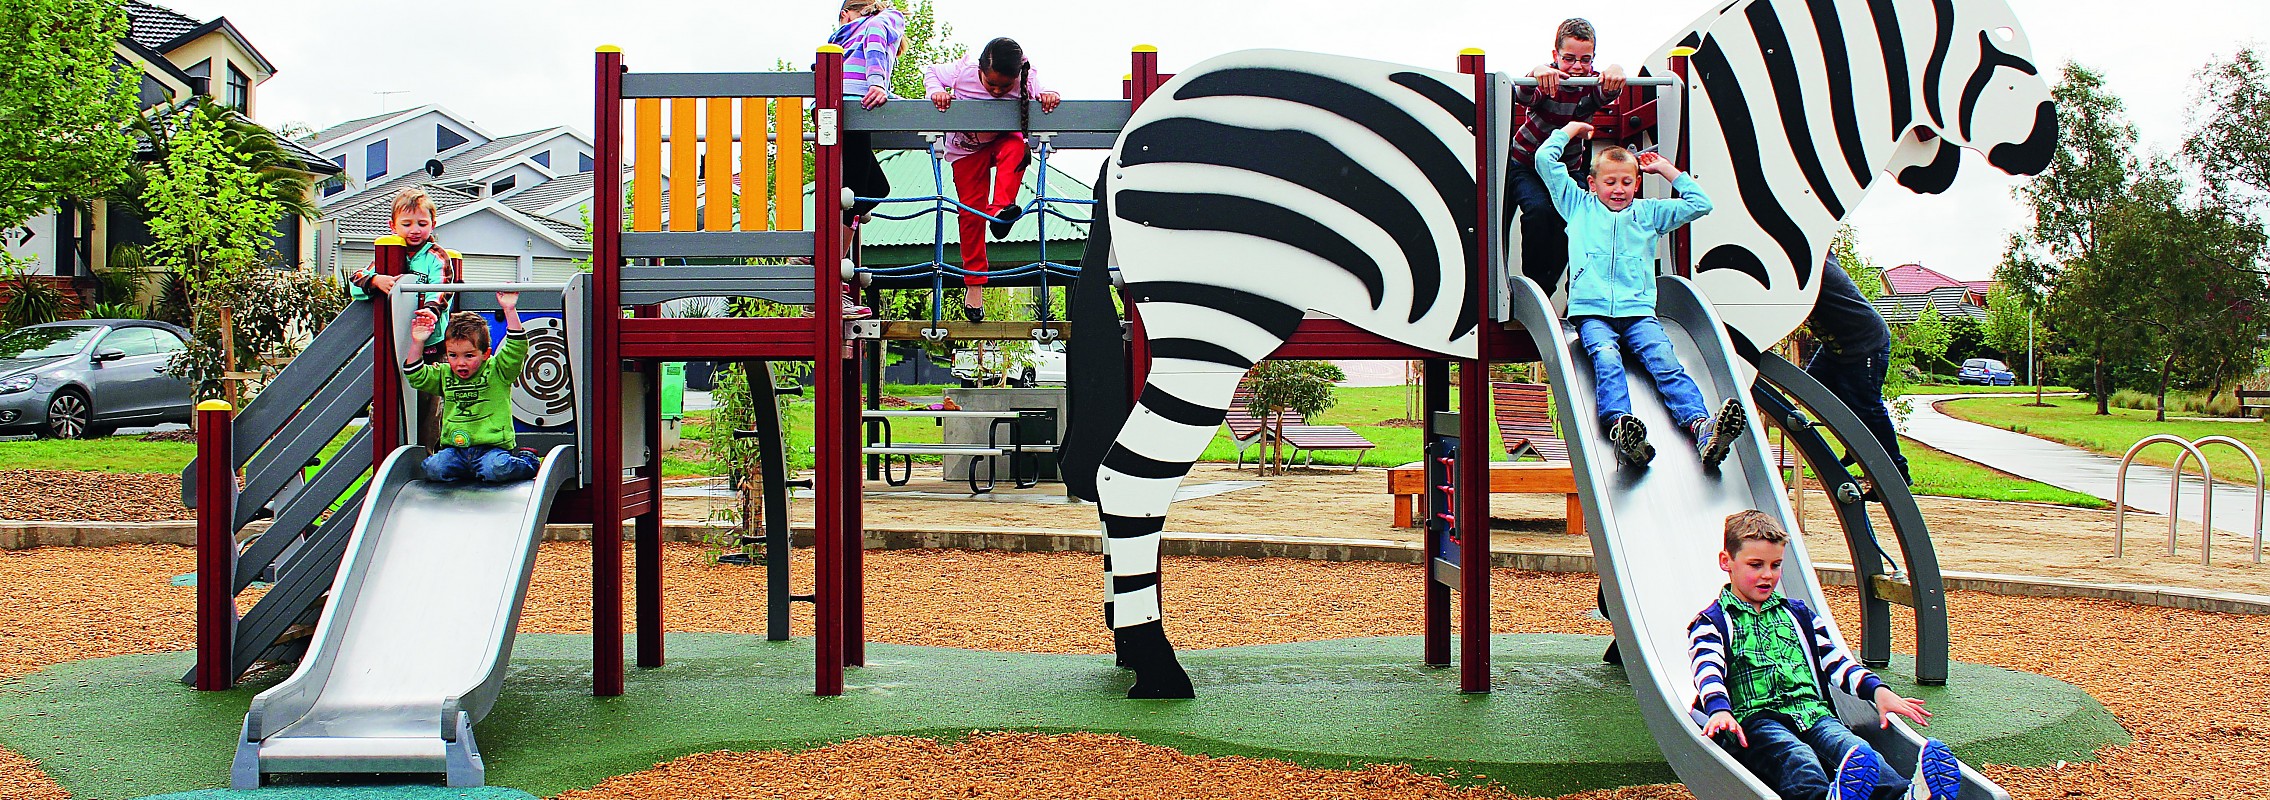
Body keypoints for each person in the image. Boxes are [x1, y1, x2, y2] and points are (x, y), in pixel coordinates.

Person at [1690, 511, 1961, 800]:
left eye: (1776, 565)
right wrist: (1719, 709)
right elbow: (1708, 669)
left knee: (1855, 750)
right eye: (1755, 565)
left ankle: (1904, 796)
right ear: (1726, 562)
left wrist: (1877, 690)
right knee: (1798, 758)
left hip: (1812, 712)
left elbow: (1835, 662)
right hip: (1756, 721)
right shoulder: (1713, 622)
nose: (1767, 574)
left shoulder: (1798, 615)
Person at [1537, 120, 1741, 468]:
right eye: (1610, 182)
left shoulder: (1649, 213)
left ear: (1637, 183)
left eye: (1627, 182)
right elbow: (1545, 159)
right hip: (1592, 313)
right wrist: (1570, 129)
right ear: (1592, 184)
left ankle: (1702, 427)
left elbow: (1701, 204)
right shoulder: (1578, 206)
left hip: (1638, 313)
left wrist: (1666, 170)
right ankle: (1621, 427)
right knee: (1606, 358)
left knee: (1665, 361)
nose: (1618, 189)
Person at [924, 36, 1060, 322]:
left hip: (1001, 142)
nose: (997, 91)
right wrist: (937, 92)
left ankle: (1000, 211)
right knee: (970, 214)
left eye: (1004, 87)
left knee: (1018, 148)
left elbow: (1043, 92)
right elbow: (932, 72)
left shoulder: (1026, 78)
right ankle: (974, 285)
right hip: (966, 150)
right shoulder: (963, 71)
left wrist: (1049, 94)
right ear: (980, 71)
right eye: (991, 84)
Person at [1509, 18, 1628, 294]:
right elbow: (1523, 95)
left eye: (1585, 60)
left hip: (1567, 168)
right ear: (1556, 55)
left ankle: (1571, 286)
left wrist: (1617, 70)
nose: (1577, 67)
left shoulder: (1589, 82)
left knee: (1577, 216)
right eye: (1569, 58)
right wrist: (1536, 71)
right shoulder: (1549, 80)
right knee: (1539, 211)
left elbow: (1609, 89)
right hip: (1527, 165)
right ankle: (1537, 287)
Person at [349, 187, 459, 446]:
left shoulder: (435, 256)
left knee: (429, 406)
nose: (415, 230)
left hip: (430, 345)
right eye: (407, 224)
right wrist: (375, 280)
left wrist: (430, 310)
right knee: (389, 397)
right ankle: (389, 447)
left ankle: (426, 452)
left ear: (433, 224)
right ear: (393, 226)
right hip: (394, 344)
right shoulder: (388, 255)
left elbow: (442, 286)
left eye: (422, 223)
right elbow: (355, 284)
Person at [404, 296, 538, 483]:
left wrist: (509, 309)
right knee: (433, 468)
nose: (460, 363)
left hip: (491, 450)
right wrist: (418, 341)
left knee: (496, 469)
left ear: (485, 354)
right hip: (455, 450)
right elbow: (416, 375)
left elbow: (516, 349)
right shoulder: (445, 374)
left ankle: (528, 460)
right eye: (453, 355)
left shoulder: (498, 370)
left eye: (469, 355)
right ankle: (468, 473)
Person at [1806, 253, 1909, 494]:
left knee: (1867, 408)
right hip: (1838, 345)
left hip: (1865, 341)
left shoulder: (1810, 258)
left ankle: (1896, 474)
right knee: (1813, 388)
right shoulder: (1811, 254)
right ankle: (1855, 444)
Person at [829, 0, 902, 320]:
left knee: (875, 188)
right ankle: (827, 269)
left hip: (841, 107)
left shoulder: (842, 36)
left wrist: (886, 91)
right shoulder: (885, 19)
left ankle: (821, 257)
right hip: (853, 108)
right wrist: (877, 84)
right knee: (855, 191)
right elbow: (874, 45)